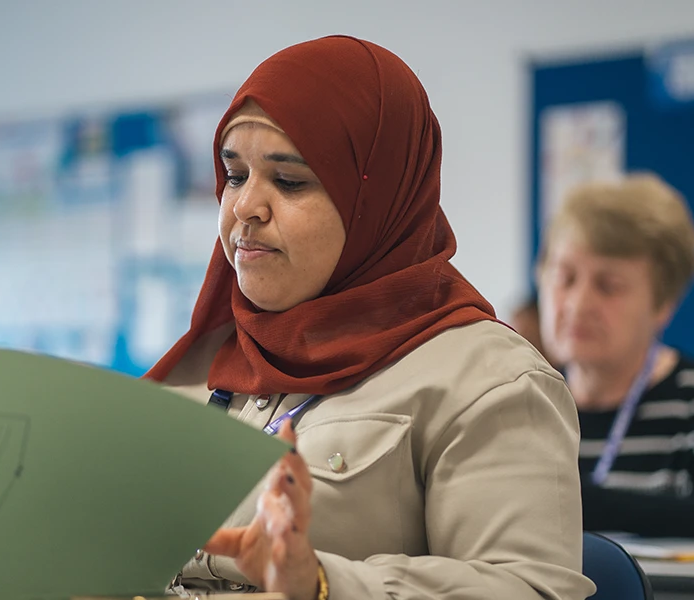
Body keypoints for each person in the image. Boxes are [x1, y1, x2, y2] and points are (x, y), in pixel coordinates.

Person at [144, 36, 594, 600]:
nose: (245, 208)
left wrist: (321, 584)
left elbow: (528, 589)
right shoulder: (198, 367)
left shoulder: (487, 380)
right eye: (234, 175)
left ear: (377, 200)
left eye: (289, 181)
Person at [536, 174, 694, 538]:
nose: (578, 304)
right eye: (565, 278)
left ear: (662, 305)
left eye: (608, 287)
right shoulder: (522, 400)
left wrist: (582, 506)